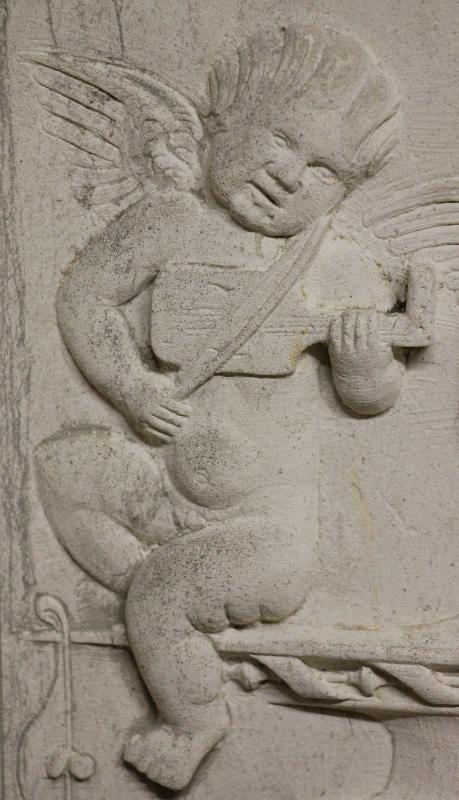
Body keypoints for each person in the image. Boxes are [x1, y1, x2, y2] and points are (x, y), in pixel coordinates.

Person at [36, 24, 404, 789]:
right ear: (222, 118)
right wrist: (131, 388)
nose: (289, 176)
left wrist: (364, 363)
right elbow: (85, 296)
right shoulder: (169, 222)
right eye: (281, 138)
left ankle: (193, 717)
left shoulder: (338, 264)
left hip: (265, 533)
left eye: (324, 171)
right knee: (63, 469)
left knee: (164, 591)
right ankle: (152, 611)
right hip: (166, 493)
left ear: (344, 193)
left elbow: (370, 399)